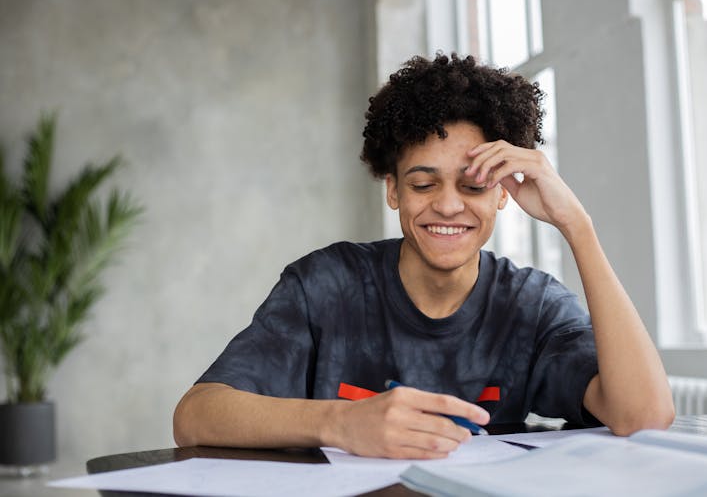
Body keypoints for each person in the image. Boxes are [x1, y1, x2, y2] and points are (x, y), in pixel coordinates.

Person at [173, 53, 674, 460]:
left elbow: (644, 414)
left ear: (503, 193)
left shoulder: (531, 305)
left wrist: (577, 226)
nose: (448, 204)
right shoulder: (325, 284)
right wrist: (340, 422)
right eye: (422, 183)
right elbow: (195, 416)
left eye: (474, 185)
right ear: (393, 190)